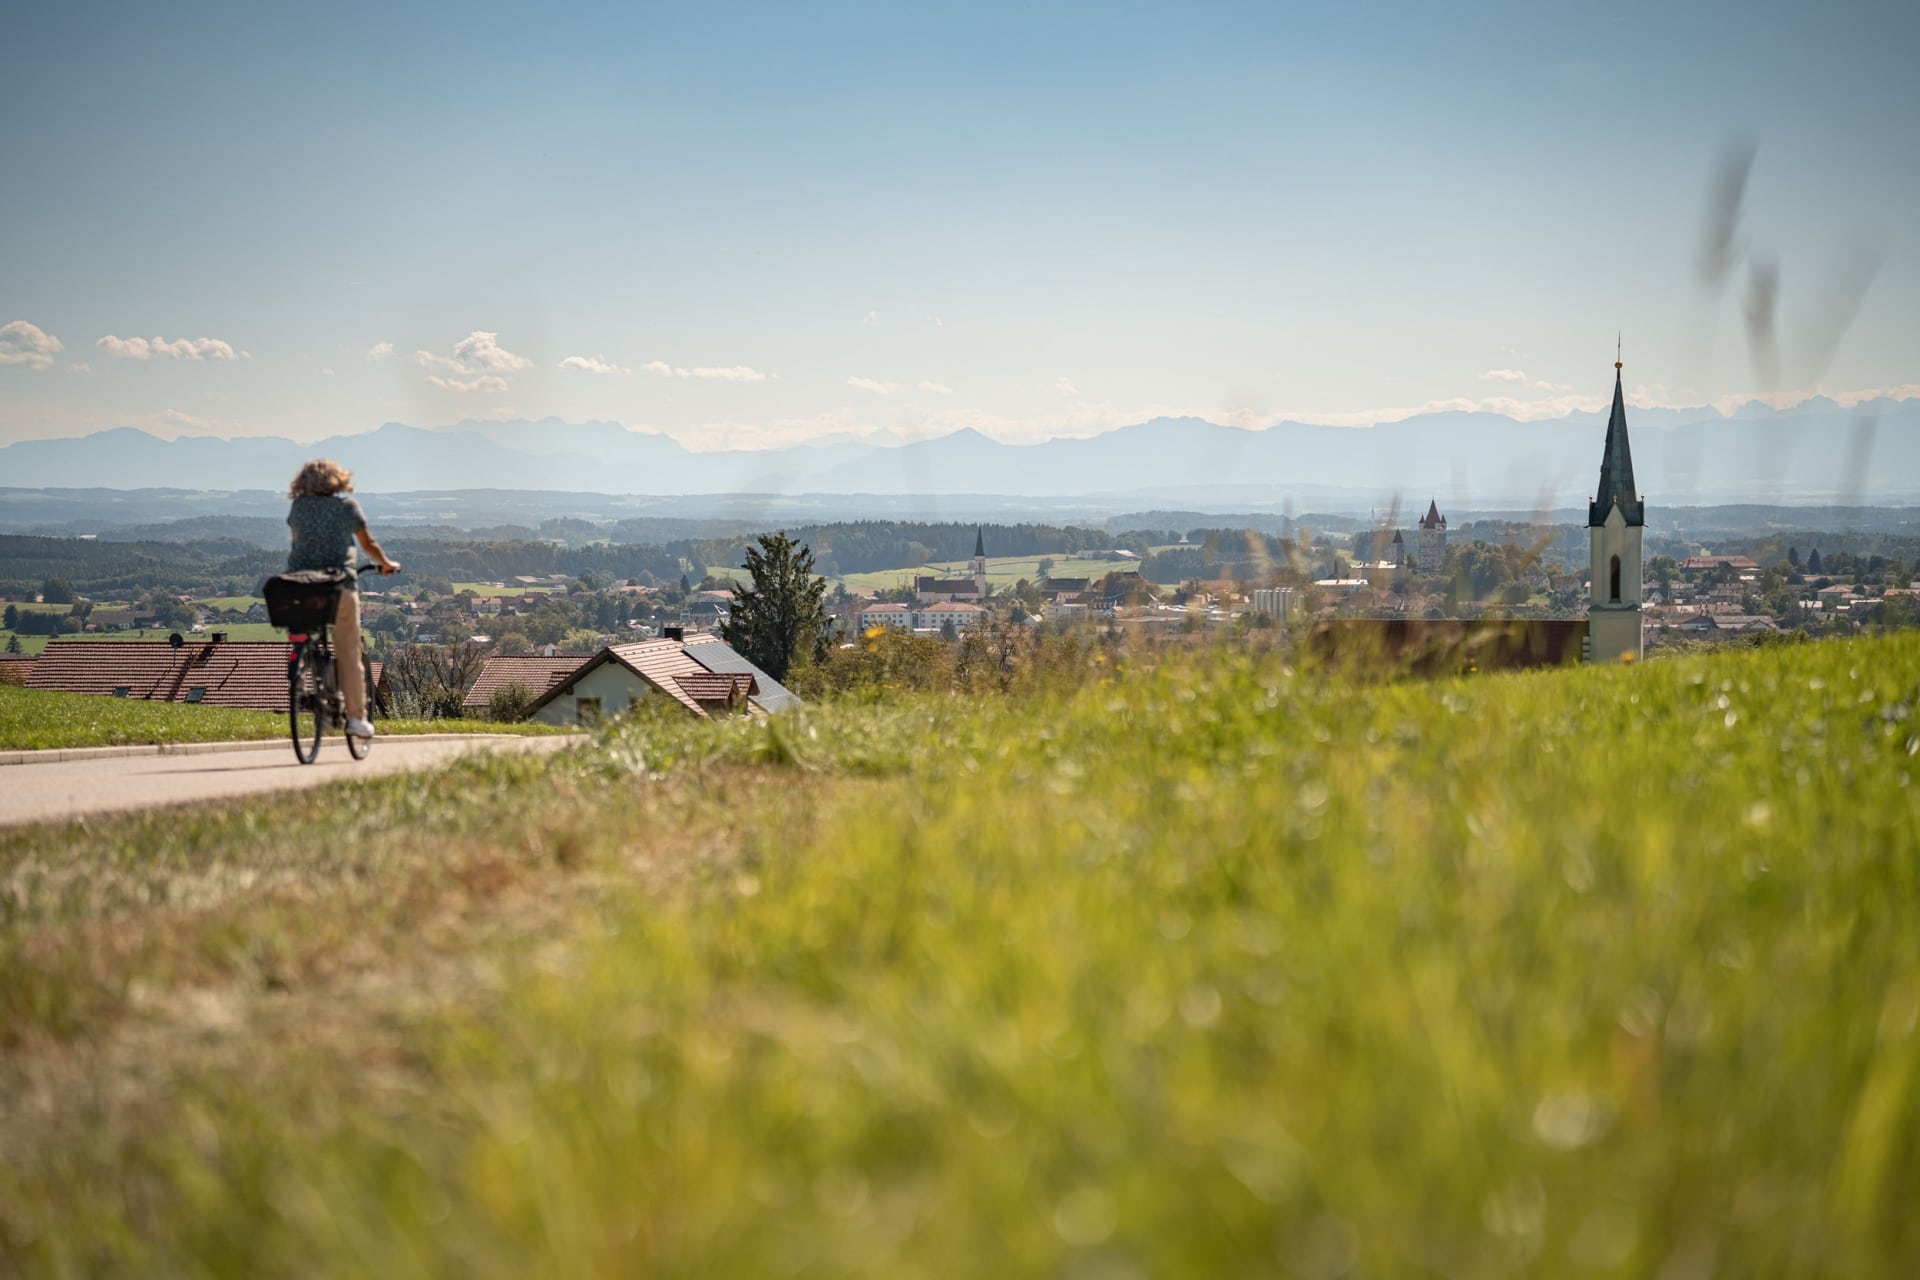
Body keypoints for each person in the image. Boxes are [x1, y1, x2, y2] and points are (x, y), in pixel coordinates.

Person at [286, 459, 399, 738]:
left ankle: (307, 665)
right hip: (338, 586)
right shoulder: (347, 507)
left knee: (307, 632)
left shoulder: (298, 508)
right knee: (348, 650)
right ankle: (357, 719)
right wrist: (386, 563)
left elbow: (295, 542)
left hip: (301, 586)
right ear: (337, 480)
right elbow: (368, 543)